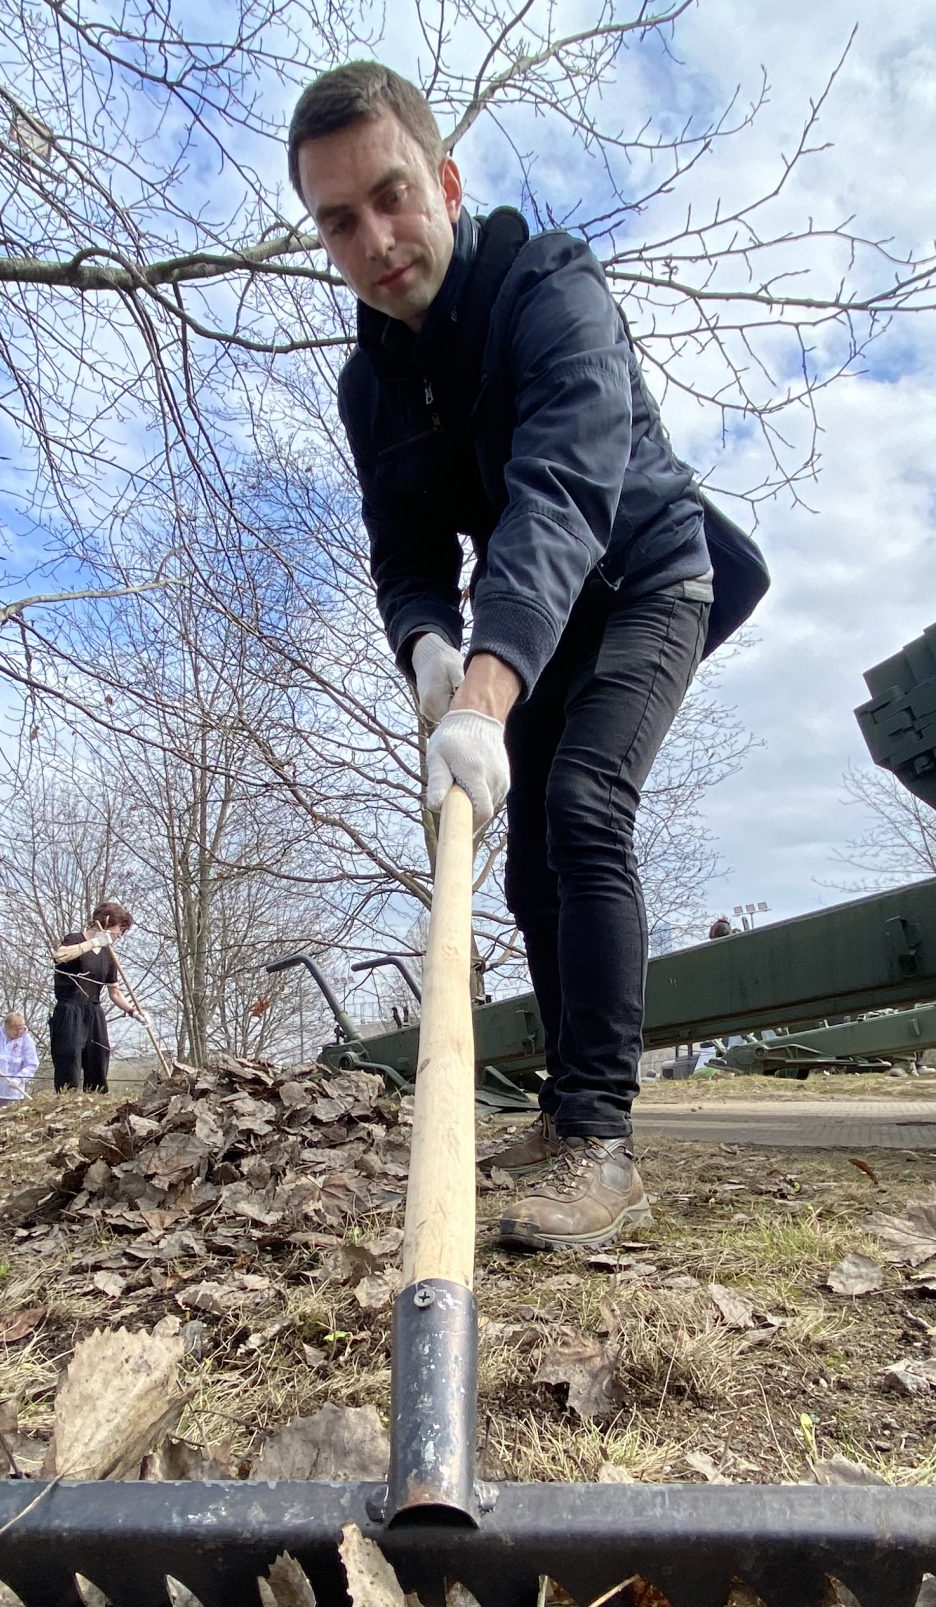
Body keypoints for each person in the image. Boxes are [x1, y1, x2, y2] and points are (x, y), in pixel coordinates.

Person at [289, 62, 768, 1252]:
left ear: (443, 181)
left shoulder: (551, 291)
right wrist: (428, 654)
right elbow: (403, 550)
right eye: (339, 221)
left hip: (646, 579)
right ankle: (560, 1118)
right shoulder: (372, 386)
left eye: (392, 196)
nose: (376, 238)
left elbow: (558, 500)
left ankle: (602, 1148)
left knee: (580, 809)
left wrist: (490, 695)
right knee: (521, 874)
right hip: (529, 621)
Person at [49, 903, 141, 1095]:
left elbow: (114, 991)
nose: (119, 935)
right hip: (69, 1010)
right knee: (69, 1060)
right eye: (120, 930)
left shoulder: (109, 955)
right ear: (107, 921)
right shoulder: (74, 939)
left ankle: (96, 1103)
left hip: (94, 1012)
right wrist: (94, 943)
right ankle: (67, 1104)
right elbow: (59, 956)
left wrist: (133, 1011)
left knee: (98, 1059)